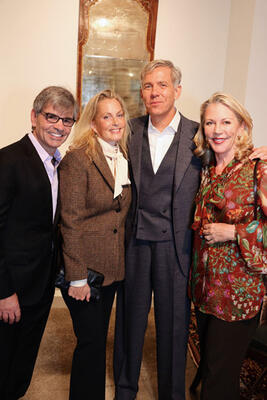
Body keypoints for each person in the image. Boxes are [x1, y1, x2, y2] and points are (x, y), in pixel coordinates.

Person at [115, 59, 202, 400]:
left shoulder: (199, 135)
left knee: (173, 327)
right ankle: (125, 390)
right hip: (135, 243)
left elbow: (229, 158)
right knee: (129, 324)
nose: (155, 92)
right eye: (149, 86)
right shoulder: (129, 130)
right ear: (142, 91)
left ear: (177, 91)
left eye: (162, 85)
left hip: (175, 248)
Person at [0, 86, 78, 400]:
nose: (59, 126)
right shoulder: (9, 161)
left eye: (67, 120)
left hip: (42, 284)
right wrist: (4, 292)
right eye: (51, 117)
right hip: (12, 289)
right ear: (34, 117)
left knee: (22, 363)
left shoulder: (59, 163)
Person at [189, 92, 267, 400]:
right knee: (213, 370)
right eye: (210, 122)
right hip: (205, 291)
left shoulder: (257, 168)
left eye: (225, 121)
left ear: (241, 127)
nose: (217, 129)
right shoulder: (207, 169)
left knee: (219, 380)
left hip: (238, 296)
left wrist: (233, 232)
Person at [59, 89, 131, 400]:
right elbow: (69, 220)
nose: (115, 122)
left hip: (111, 270)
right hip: (84, 272)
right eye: (106, 116)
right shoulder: (78, 160)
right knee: (90, 342)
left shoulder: (123, 157)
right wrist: (76, 276)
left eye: (119, 114)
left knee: (97, 340)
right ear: (93, 123)